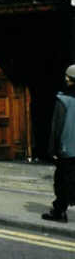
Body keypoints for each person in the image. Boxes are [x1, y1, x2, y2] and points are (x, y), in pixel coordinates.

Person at [42, 65, 75, 223]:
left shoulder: (63, 99)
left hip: (67, 147)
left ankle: (59, 212)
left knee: (62, 180)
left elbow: (57, 126)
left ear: (68, 79)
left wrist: (52, 148)